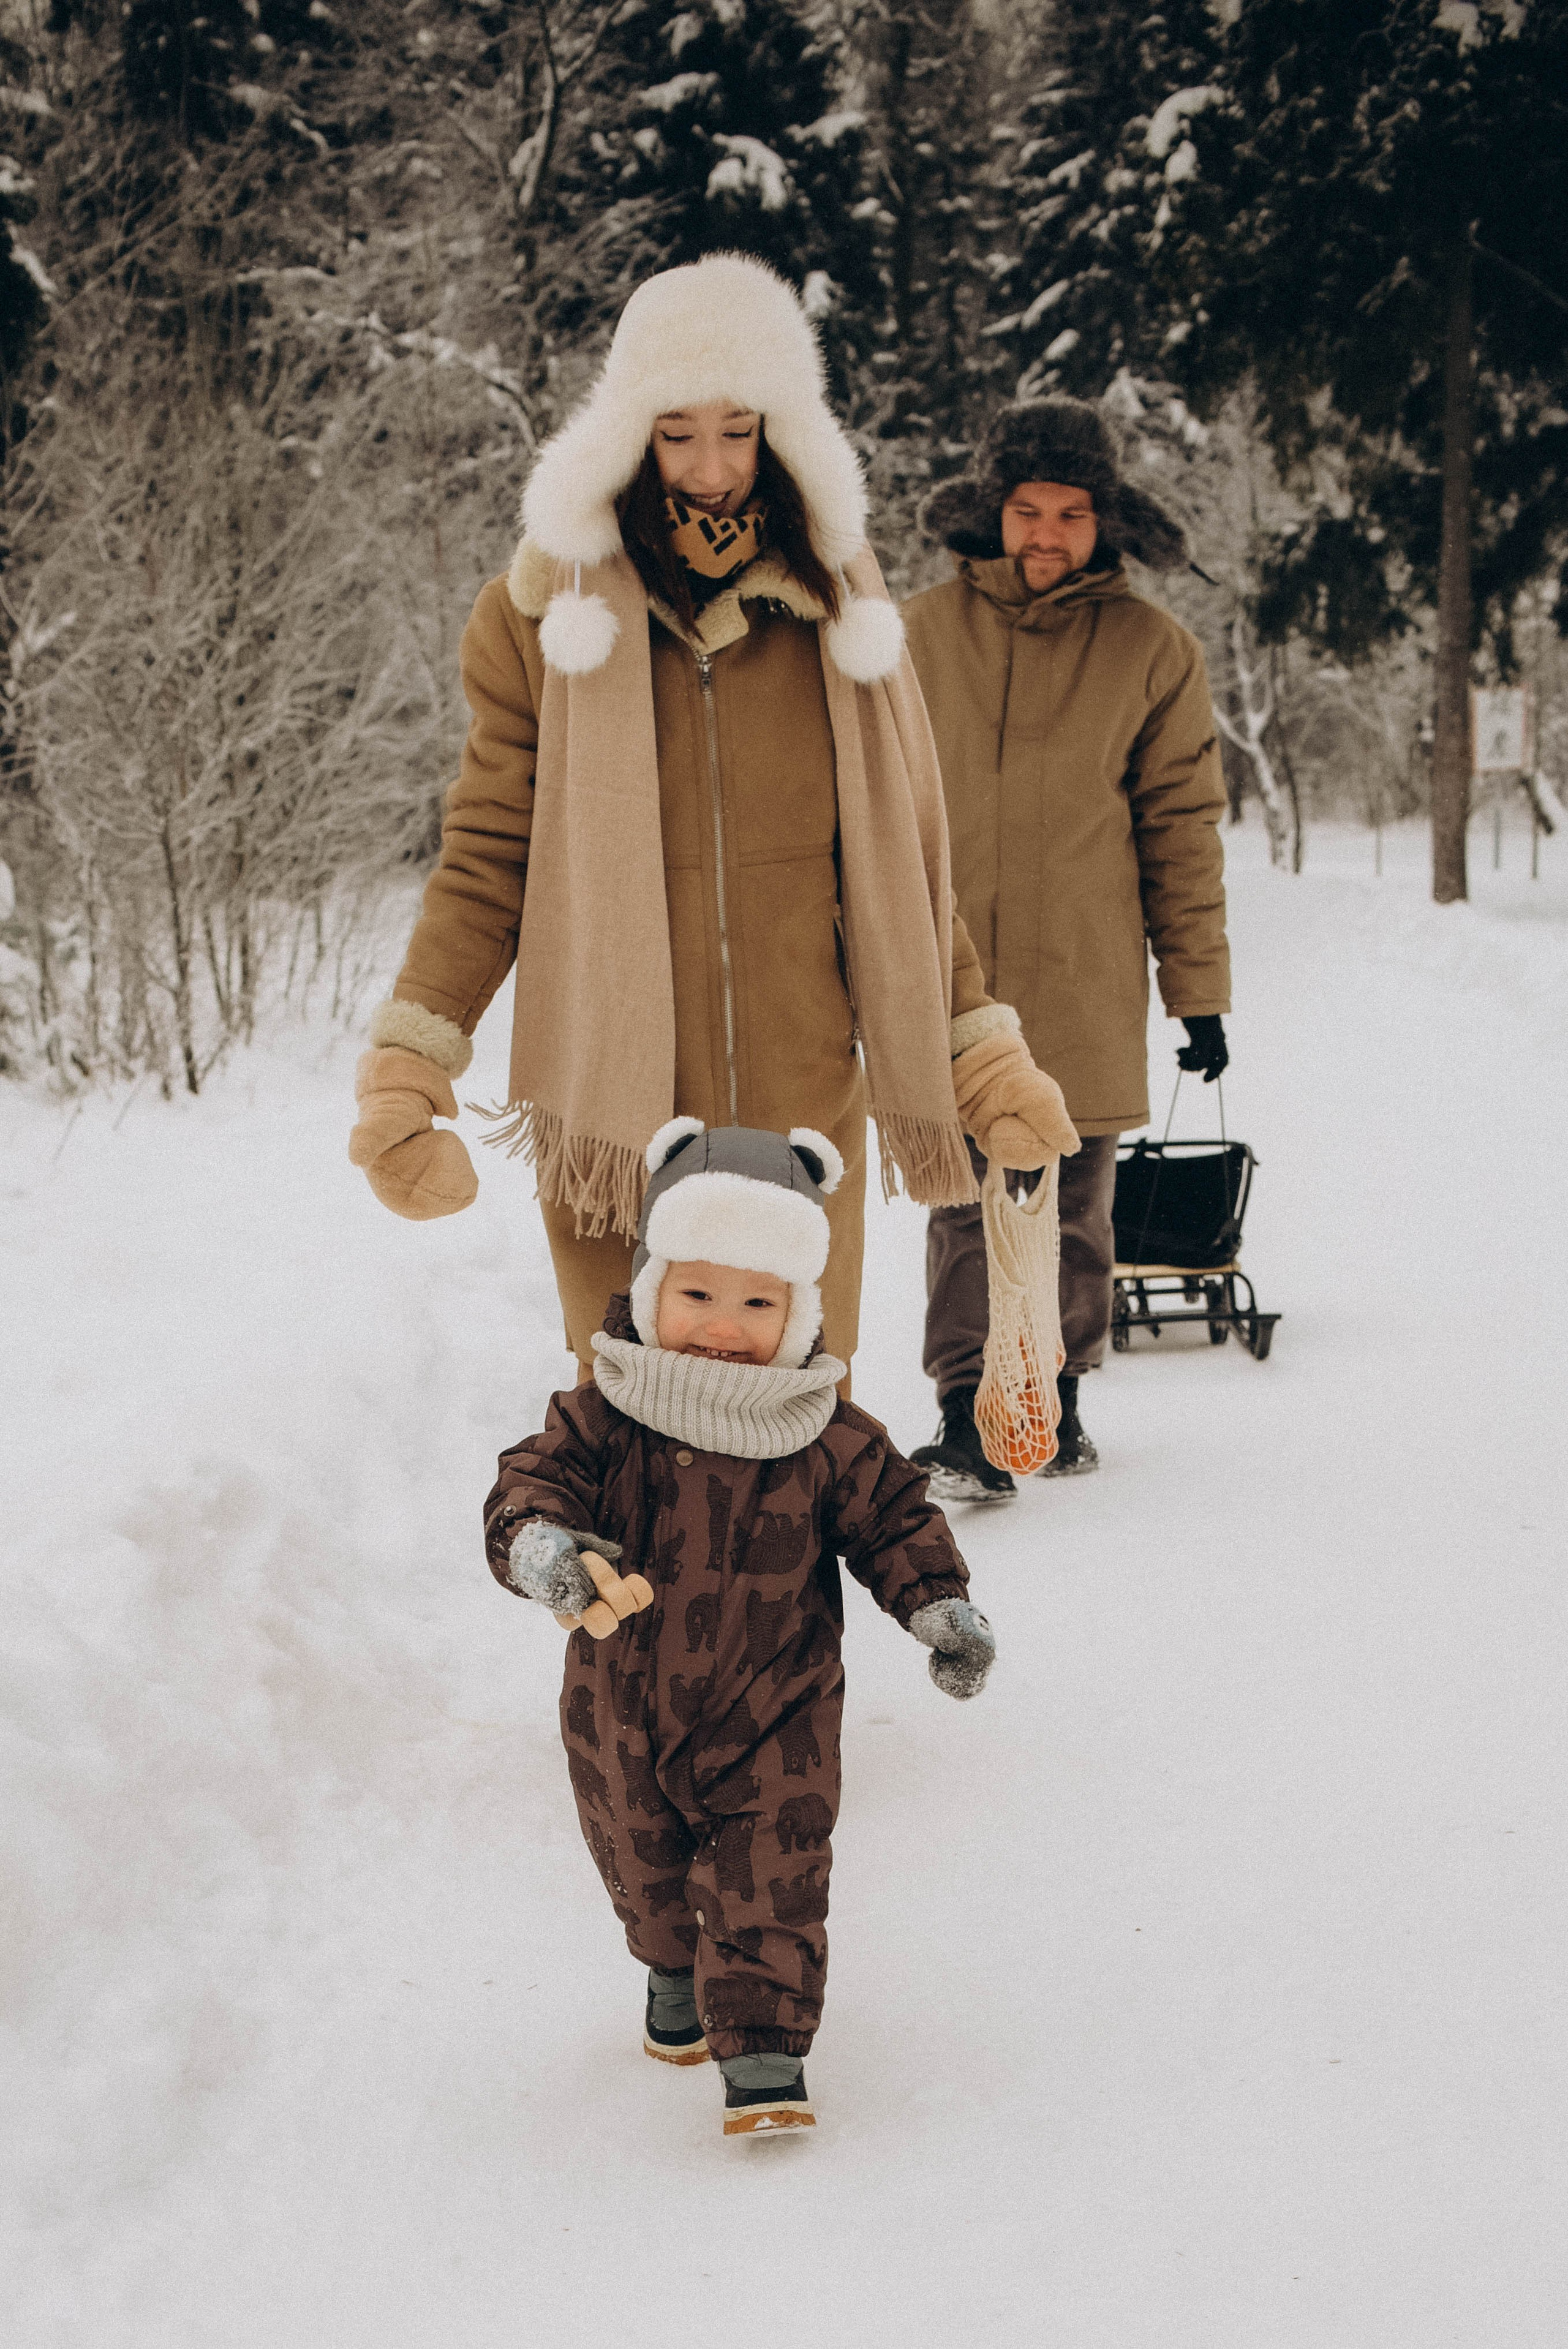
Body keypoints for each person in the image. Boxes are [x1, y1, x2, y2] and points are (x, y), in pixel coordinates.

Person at [348, 255, 1077, 1379]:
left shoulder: (843, 612)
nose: (709, 469)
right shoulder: (539, 619)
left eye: (738, 433)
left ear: (783, 436)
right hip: (613, 1114)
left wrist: (982, 1064)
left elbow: (904, 868)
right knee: (629, 1447)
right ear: (630, 432)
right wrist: (410, 1064)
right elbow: (490, 854)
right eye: (677, 433)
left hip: (798, 1119)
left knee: (793, 1445)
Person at [483, 1120, 997, 2138]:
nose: (724, 1326)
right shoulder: (604, 1412)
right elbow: (527, 1484)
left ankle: (763, 2048)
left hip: (780, 1707)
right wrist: (541, 1547)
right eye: (698, 1294)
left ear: (800, 1311)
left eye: (759, 1301)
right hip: (620, 1704)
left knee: (775, 1869)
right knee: (642, 1860)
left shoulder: (824, 1429)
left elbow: (896, 1516)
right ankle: (672, 1967)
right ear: (649, 1289)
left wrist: (937, 1605)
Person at [903, 399, 1231, 1499]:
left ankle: (1057, 1396)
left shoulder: (1154, 651)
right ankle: (965, 1408)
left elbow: (1181, 829)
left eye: (1072, 514)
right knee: (959, 1201)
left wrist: (1200, 999)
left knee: (1073, 1201)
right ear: (993, 514)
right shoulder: (911, 637)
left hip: (1087, 980)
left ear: (1107, 523)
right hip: (952, 982)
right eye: (1027, 510)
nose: (1047, 534)